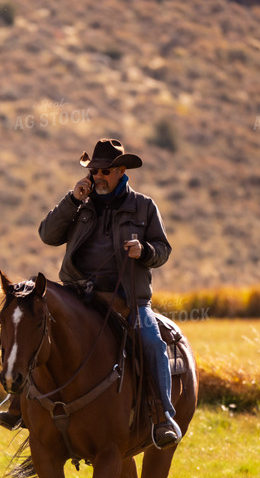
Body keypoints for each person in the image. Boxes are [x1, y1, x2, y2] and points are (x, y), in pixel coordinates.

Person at [37, 138, 181, 448]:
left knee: (152, 342)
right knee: (34, 329)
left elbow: (163, 250)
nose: (98, 177)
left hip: (127, 300)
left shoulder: (144, 206)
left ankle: (163, 417)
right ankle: (20, 407)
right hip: (76, 295)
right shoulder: (79, 203)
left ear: (120, 171)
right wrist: (72, 200)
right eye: (94, 172)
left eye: (104, 172)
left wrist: (143, 251)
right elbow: (47, 235)